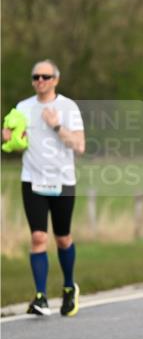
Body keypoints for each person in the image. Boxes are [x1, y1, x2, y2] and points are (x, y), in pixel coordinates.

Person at [3, 61, 85, 317]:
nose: (40, 81)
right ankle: (40, 297)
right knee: (38, 237)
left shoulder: (68, 107)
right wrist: (8, 137)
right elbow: (14, 138)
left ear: (56, 80)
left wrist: (57, 125)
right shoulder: (23, 107)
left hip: (62, 180)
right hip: (33, 180)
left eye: (45, 77)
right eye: (36, 77)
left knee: (62, 238)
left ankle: (69, 287)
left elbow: (80, 145)